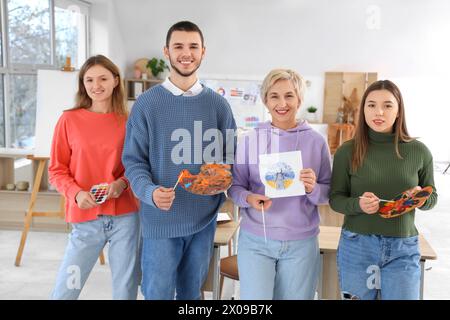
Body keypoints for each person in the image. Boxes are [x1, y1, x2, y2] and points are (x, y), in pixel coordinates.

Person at [122, 21, 236, 300]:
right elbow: (133, 161)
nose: (186, 53)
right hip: (160, 219)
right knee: (157, 293)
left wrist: (218, 180)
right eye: (179, 46)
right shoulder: (147, 105)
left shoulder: (219, 105)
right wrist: (149, 192)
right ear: (167, 51)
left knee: (192, 296)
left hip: (204, 220)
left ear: (203, 52)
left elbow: (229, 158)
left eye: (193, 46)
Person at [228, 69, 332, 300]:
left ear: (300, 99)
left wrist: (313, 188)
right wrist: (249, 199)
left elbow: (327, 193)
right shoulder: (250, 140)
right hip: (256, 240)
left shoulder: (316, 142)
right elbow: (234, 188)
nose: (282, 103)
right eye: (274, 96)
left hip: (301, 243)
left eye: (289, 95)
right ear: (265, 100)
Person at [330, 80, 438, 300]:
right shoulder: (347, 151)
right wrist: (357, 204)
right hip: (357, 246)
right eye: (371, 105)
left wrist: (418, 199)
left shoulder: (419, 152)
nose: (378, 112)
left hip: (403, 247)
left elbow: (432, 196)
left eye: (387, 105)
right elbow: (335, 199)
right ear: (363, 110)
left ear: (399, 111)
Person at [48, 55, 140, 300]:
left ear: (115, 81)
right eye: (89, 79)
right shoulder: (69, 120)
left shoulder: (129, 120)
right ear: (82, 83)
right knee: (68, 285)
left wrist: (122, 184)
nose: (95, 85)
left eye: (102, 78)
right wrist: (76, 193)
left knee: (125, 287)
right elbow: (56, 169)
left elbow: (139, 164)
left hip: (124, 217)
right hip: (85, 218)